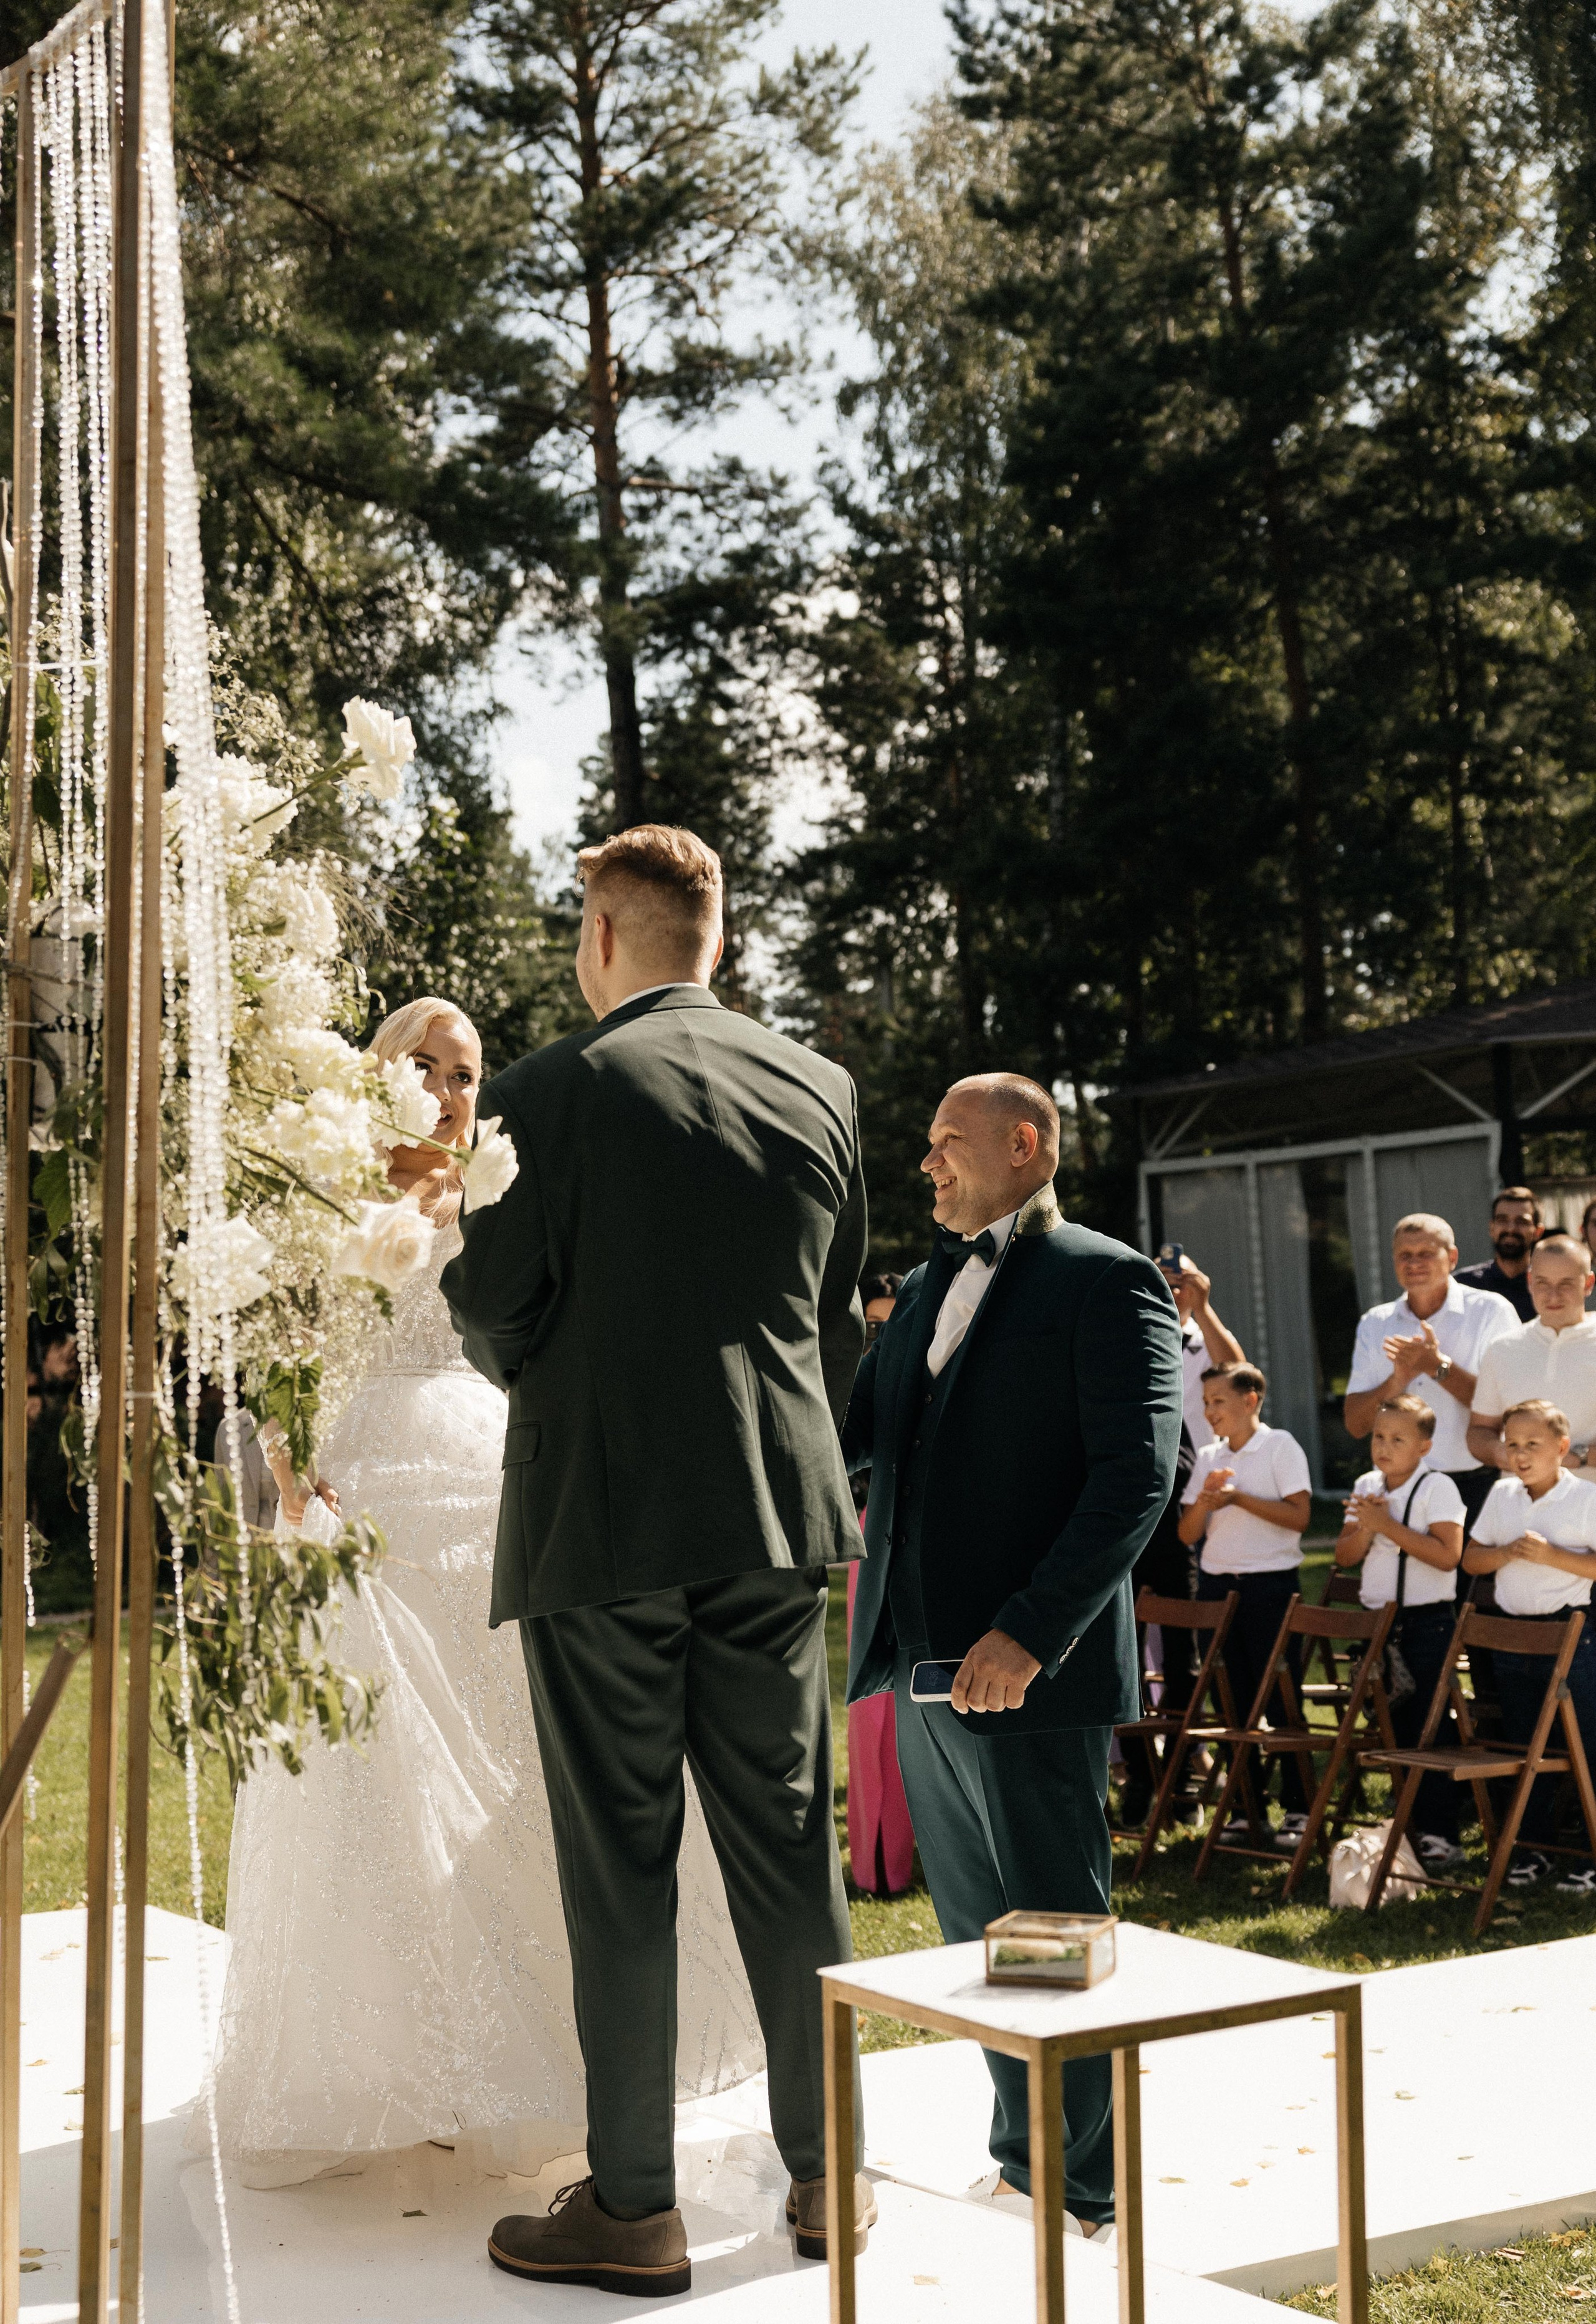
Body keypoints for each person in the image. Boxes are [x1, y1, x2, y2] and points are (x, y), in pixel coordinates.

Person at [205, 994, 764, 2194]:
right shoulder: (318, 1203)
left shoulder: (509, 1203)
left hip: (504, 1488)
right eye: (427, 1064)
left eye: (467, 1070)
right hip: (363, 1504)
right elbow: (276, 1366)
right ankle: (391, 2068)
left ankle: (532, 2073)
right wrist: (297, 1493)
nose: (452, 1088)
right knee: (375, 1786)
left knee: (514, 1775)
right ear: (382, 1079)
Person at [443, 825, 872, 2297]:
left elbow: (491, 1307)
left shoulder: (546, 1094)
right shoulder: (818, 1087)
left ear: (601, 935)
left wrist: (584, 1395)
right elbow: (833, 1325)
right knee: (788, 1841)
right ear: (717, 938)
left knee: (620, 1861)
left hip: (605, 1519)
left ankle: (632, 2206)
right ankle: (826, 2175)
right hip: (774, 1514)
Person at [842, 1072, 1180, 2242]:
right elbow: (863, 1439)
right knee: (975, 1940)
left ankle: (1083, 2197)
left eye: (947, 1143)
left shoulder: (1105, 1276)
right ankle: (1024, 2163)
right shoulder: (927, 1283)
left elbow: (1134, 1476)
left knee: (1048, 1931)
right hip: (921, 1670)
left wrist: (1035, 1628)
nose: (927, 1165)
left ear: (1023, 1142)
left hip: (1028, 1672)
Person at [1115, 1252, 1247, 1827]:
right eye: (1163, 1284)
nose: (1172, 1293)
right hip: (1129, 1512)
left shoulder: (1203, 1342)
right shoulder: (1128, 1334)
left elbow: (1240, 1373)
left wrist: (1205, 1306)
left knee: (1185, 1659)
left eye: (1180, 1284)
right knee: (1126, 1660)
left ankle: (1184, 1779)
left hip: (1189, 1505)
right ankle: (1142, 1782)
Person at [1462, 1400, 1596, 1896]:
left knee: (1587, 1746)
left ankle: (1590, 1851)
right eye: (1512, 1445)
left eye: (1532, 1445)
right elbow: (1471, 1560)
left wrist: (1553, 1556)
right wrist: (1506, 1553)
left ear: (1562, 1448)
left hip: (1570, 1638)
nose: (1520, 1455)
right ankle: (1533, 1847)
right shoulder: (1501, 1495)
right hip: (1512, 1638)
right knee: (1524, 1749)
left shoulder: (1586, 1498)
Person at [1178, 1362, 1314, 1850]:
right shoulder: (1210, 1455)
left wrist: (1238, 1499)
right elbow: (1188, 1533)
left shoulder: (1280, 1446)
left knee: (1281, 1699)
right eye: (1207, 1402)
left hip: (1271, 1589)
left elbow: (1300, 1517)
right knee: (1229, 1702)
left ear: (1250, 1400)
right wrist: (1207, 1502)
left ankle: (1299, 1808)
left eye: (1218, 1401)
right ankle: (1245, 1809)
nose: (1209, 1411)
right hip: (1218, 1590)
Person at [1334, 1395, 1466, 1870]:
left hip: (1426, 1622)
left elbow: (1449, 1556)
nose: (1384, 1447)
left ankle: (1442, 1833)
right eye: (1378, 1437)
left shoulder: (1439, 1489)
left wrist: (1387, 1524)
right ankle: (1408, 1821)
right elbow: (1345, 1556)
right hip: (1378, 1625)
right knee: (1390, 1724)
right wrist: (1367, 1530)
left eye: (1398, 1439)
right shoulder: (1367, 1483)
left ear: (1425, 1446)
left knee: (1427, 1727)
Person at [1345, 1212, 1519, 1534]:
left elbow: (1510, 1410)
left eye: (1426, 1253)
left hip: (1474, 1485)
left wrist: (1436, 1367)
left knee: (1473, 1585)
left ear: (1452, 1258)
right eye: (1405, 1256)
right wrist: (1398, 1381)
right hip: (1397, 1489)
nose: (1414, 1263)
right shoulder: (1375, 1322)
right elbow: (1356, 1424)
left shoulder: (1491, 1311)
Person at [848, 1270, 915, 1896]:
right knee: (870, 1706)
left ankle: (910, 1852)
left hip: (927, 1532)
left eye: (893, 1322)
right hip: (863, 1535)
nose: (883, 1335)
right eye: (872, 1324)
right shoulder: (848, 1375)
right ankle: (874, 1861)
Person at [1468, 1235, 1596, 1475]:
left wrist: (1578, 1456)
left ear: (1588, 1283)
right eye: (1542, 1283)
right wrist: (1504, 1455)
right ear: (1529, 1281)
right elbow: (1480, 1431)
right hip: (1519, 1506)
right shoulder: (1502, 1348)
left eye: (1566, 1284)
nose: (1553, 1295)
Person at [1454, 1187, 1542, 1322]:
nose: (1511, 1229)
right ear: (1492, 1228)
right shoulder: (1462, 1286)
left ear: (1538, 1231)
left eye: (1521, 1222)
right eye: (1502, 1220)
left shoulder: (1546, 1288)